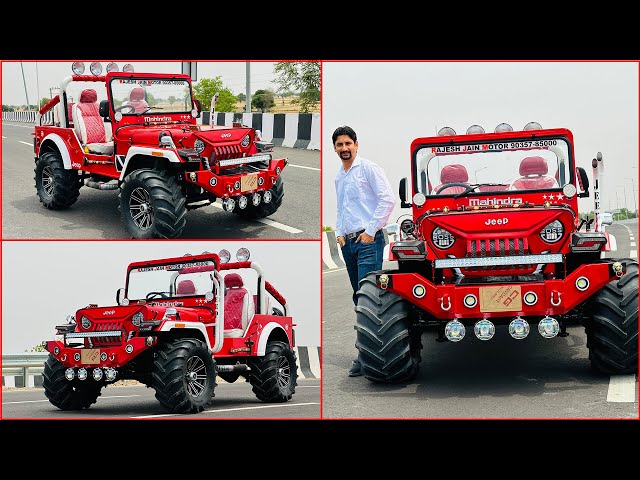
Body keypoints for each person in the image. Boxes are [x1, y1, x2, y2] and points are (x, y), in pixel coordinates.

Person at [333, 125, 395, 377]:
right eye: (340, 144)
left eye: (348, 143)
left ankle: (366, 355)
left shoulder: (368, 168)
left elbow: (387, 199)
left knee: (369, 300)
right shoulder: (340, 175)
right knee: (359, 298)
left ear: (357, 145)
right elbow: (342, 207)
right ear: (335, 148)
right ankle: (368, 351)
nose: (344, 148)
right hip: (349, 243)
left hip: (368, 240)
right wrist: (338, 232)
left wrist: (370, 231)